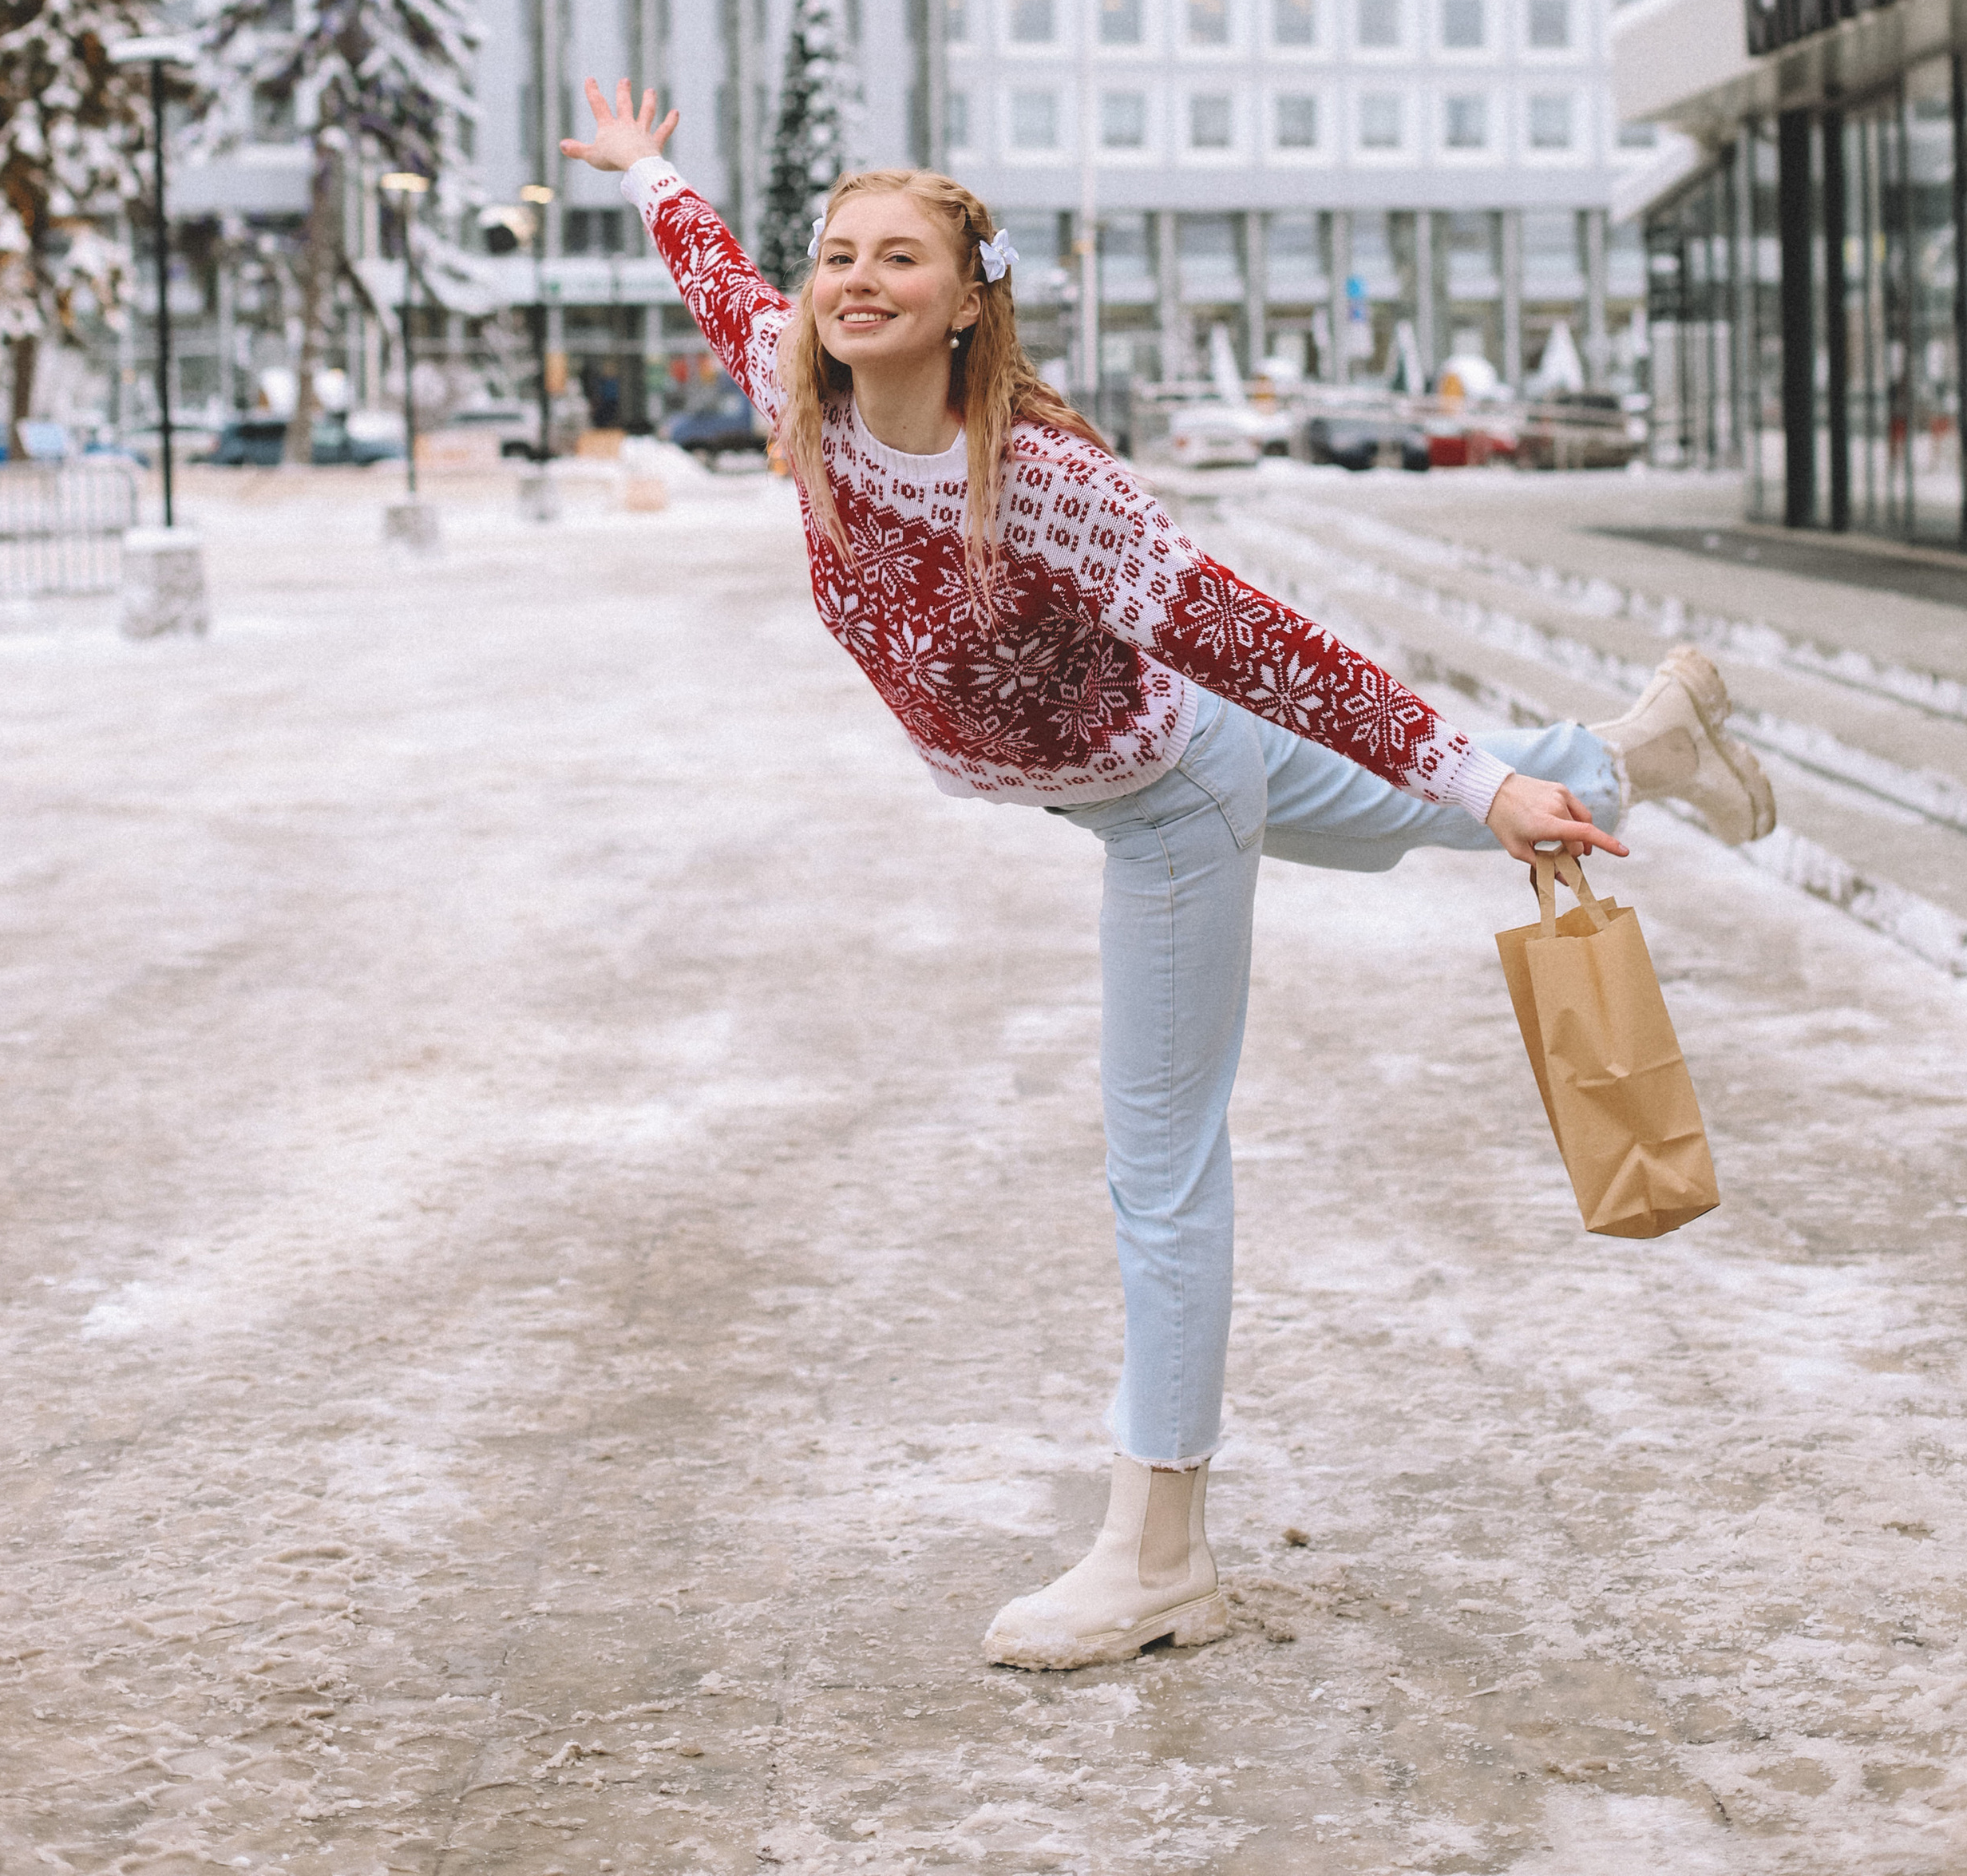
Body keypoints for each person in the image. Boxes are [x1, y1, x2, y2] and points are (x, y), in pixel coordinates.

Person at [561, 81, 1775, 1672]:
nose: (855, 281)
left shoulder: (1044, 486)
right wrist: (649, 170)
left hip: (1167, 800)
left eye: (899, 259)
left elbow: (1263, 645)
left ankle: (1160, 1559)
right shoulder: (806, 396)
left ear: (967, 301)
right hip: (1166, 756)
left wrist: (1476, 783)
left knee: (1160, 1168)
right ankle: (1634, 750)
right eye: (837, 254)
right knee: (1410, 818)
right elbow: (715, 273)